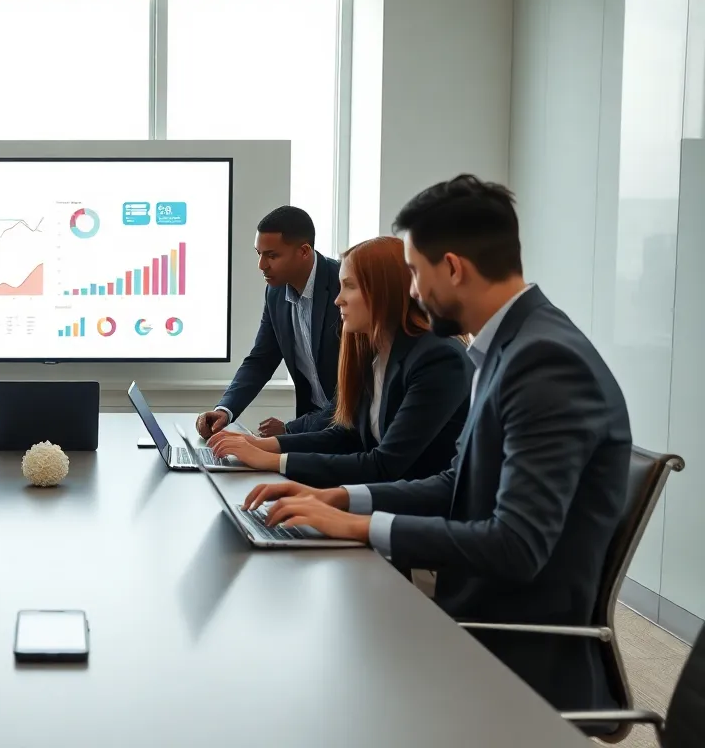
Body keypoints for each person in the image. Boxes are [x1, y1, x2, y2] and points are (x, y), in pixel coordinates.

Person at [245, 175, 632, 712]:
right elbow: (458, 483)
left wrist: (361, 526)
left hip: (506, 645)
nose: (412, 293)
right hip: (468, 616)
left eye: (417, 275)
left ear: (451, 268)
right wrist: (341, 499)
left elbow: (516, 546)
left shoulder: (545, 364)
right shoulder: (510, 349)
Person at [206, 235, 470, 487]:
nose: (338, 299)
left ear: (383, 291)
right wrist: (256, 445)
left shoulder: (438, 358)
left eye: (350, 286)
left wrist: (274, 461)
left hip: (421, 518)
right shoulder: (375, 354)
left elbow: (385, 465)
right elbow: (347, 435)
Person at [195, 205, 341, 440]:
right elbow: (261, 360)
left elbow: (357, 390)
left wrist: (291, 429)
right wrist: (225, 410)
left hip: (351, 429)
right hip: (314, 427)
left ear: (304, 251)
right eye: (259, 254)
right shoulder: (275, 294)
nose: (261, 265)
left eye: (272, 255)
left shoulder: (344, 286)